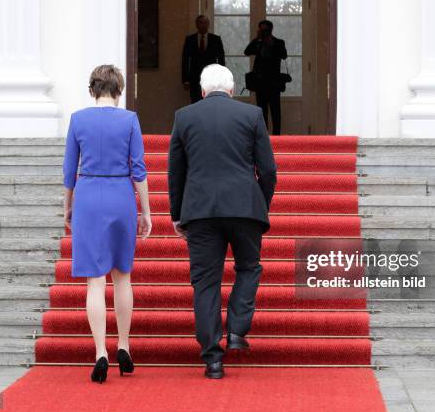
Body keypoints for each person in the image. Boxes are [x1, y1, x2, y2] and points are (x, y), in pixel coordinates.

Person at [167, 64, 277, 379]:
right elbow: (268, 170)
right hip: (245, 208)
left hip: (200, 212)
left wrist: (177, 214)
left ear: (202, 90)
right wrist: (260, 205)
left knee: (205, 283)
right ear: (231, 89)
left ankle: (213, 359)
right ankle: (238, 329)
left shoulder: (184, 117)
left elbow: (176, 171)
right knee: (249, 267)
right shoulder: (252, 115)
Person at [62, 64, 152, 383]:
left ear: (92, 90)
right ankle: (124, 345)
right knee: (122, 276)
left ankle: (101, 350)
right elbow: (138, 169)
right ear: (119, 90)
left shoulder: (78, 119)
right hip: (120, 196)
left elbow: (69, 170)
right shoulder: (129, 120)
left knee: (94, 282)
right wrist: (146, 210)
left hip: (88, 195)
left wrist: (68, 207)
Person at [244, 20, 288, 135]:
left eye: (265, 30)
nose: (263, 32)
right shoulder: (258, 43)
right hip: (260, 83)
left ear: (271, 30)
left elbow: (284, 55)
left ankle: (277, 138)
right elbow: (247, 51)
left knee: (275, 112)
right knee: (262, 112)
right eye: (261, 29)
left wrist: (271, 44)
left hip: (274, 83)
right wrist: (257, 39)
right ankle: (263, 136)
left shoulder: (278, 42)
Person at [182, 15, 226, 103]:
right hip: (194, 79)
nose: (203, 25)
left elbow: (221, 60)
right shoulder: (190, 39)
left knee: (211, 104)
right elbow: (185, 60)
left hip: (212, 79)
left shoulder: (216, 39)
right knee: (196, 103)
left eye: (205, 23)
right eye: (200, 23)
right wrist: (185, 80)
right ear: (196, 25)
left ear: (208, 24)